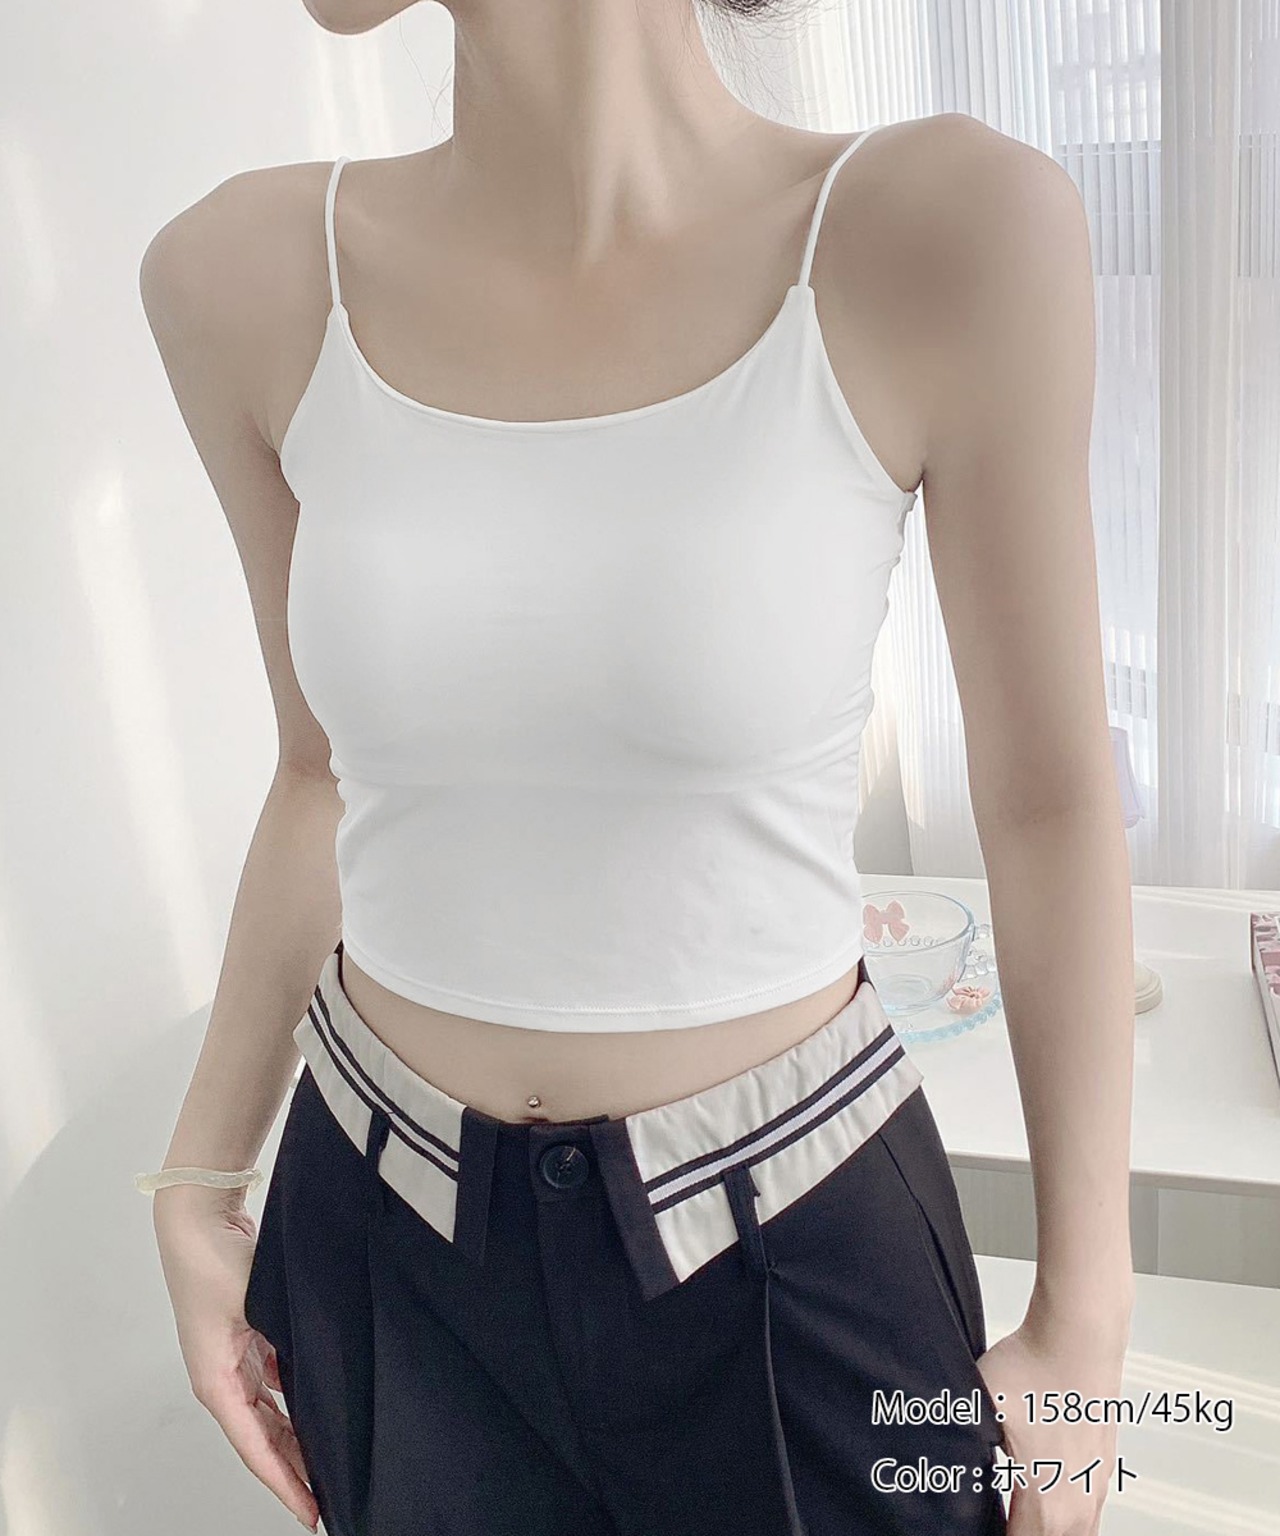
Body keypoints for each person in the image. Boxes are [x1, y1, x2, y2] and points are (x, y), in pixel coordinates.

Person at [135, 1, 1136, 1532]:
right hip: (384, 1235)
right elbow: (320, 774)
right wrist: (199, 1180)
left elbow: (1048, 803)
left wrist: (1086, 1319)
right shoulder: (237, 275)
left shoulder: (942, 229)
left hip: (795, 1244)